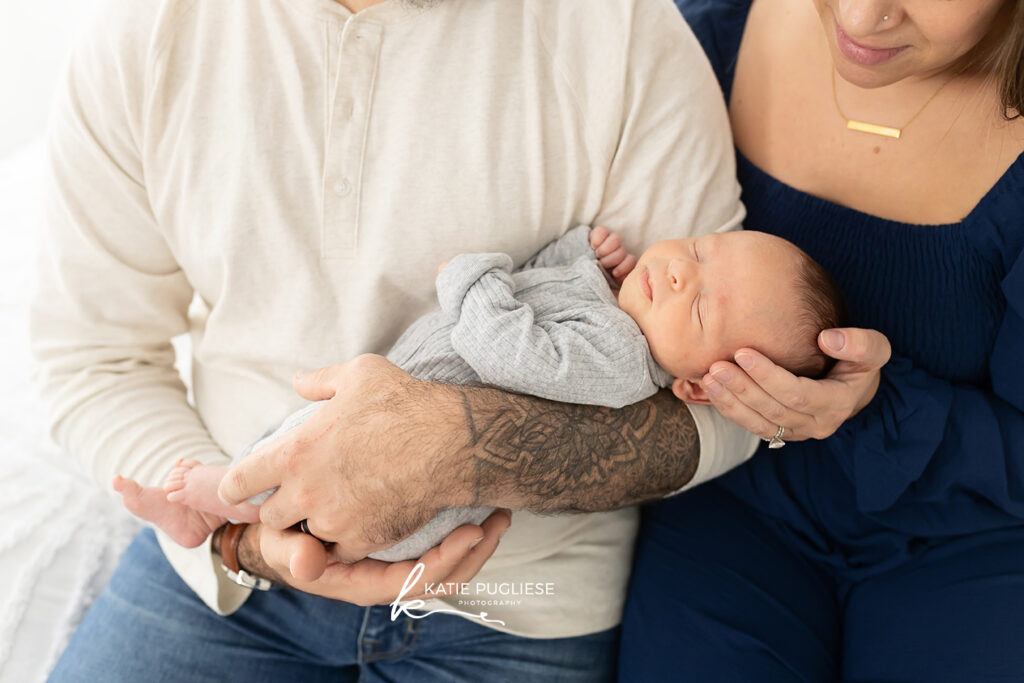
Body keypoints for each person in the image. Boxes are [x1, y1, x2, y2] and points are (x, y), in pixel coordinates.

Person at [31, 0, 809, 679]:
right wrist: (241, 538)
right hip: (234, 568)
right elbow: (92, 356)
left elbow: (726, 401)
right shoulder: (151, 30)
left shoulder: (628, 36)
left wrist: (459, 448)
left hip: (515, 598)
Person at [618, 0, 1024, 681]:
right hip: (728, 506)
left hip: (971, 537)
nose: (862, 20)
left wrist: (882, 408)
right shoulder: (706, 33)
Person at [112, 224, 845, 572]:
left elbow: (513, 349)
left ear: (691, 386)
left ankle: (219, 494)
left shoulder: (621, 363)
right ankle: (204, 514)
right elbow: (550, 282)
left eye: (702, 308)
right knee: (301, 439)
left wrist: (470, 275)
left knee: (304, 453)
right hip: (388, 421)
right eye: (701, 250)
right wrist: (582, 257)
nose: (682, 273)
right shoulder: (619, 308)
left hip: (407, 495)